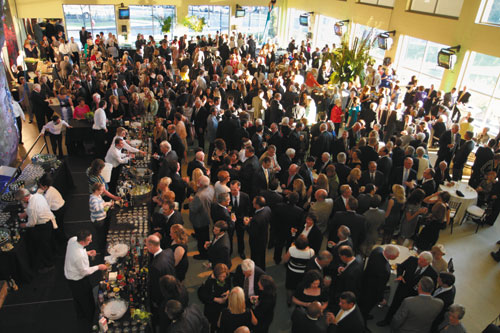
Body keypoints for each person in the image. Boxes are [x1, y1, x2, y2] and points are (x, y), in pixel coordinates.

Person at [377, 251, 438, 326]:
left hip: (414, 295)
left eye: (422, 261)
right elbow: (401, 266)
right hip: (403, 288)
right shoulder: (412, 260)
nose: (418, 262)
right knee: (395, 305)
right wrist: (399, 275)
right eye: (419, 259)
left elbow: (432, 288)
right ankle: (387, 320)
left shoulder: (432, 274)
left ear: (428, 263)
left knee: (408, 311)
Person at [64, 230, 107, 332]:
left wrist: (87, 252)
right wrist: (98, 267)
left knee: (77, 299)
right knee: (87, 301)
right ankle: (91, 321)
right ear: (83, 241)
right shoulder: (80, 256)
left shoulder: (72, 240)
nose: (91, 241)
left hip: (70, 277)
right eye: (89, 240)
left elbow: (77, 252)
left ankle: (80, 314)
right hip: (78, 280)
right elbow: (85, 271)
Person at [16, 188, 57, 273]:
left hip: (43, 227)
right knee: (47, 243)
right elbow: (35, 208)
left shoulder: (31, 207)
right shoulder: (38, 196)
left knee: (44, 246)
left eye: (22, 200)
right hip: (49, 222)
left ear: (25, 198)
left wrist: (23, 225)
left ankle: (49, 265)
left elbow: (32, 223)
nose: (22, 202)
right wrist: (26, 213)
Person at [359, 245, 400, 323]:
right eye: (396, 256)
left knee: (362, 304)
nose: (396, 257)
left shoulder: (377, 250)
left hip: (365, 282)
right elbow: (380, 286)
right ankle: (362, 322)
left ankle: (364, 315)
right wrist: (381, 299)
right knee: (366, 307)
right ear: (390, 256)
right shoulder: (384, 270)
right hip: (371, 292)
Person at [146, 234, 176, 327]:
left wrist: (155, 301)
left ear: (151, 246)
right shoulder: (169, 251)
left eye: (147, 245)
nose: (146, 247)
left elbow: (156, 287)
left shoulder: (155, 266)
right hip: (173, 284)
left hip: (164, 295)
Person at [198, 263, 232, 332]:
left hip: (223, 307)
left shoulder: (227, 277)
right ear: (216, 275)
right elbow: (202, 295)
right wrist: (216, 299)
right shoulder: (208, 282)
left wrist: (228, 292)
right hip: (213, 308)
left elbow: (229, 286)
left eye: (224, 276)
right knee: (214, 324)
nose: (222, 279)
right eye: (220, 276)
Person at [283, 234, 315, 306]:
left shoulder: (292, 249)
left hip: (292, 271)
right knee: (300, 286)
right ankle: (299, 300)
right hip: (303, 273)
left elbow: (285, 260)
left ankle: (289, 301)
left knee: (290, 287)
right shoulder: (311, 252)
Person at [37, 174, 66, 251]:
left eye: (40, 186)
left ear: (45, 186)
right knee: (60, 225)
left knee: (59, 225)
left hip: (58, 209)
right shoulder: (50, 189)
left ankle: (61, 241)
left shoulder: (48, 195)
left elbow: (46, 208)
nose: (40, 187)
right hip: (61, 205)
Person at [189, 175, 214, 260]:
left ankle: (203, 254)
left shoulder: (199, 196)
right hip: (207, 216)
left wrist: (191, 202)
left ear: (201, 184)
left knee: (201, 239)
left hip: (199, 220)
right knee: (205, 236)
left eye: (199, 181)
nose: (197, 182)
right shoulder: (210, 188)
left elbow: (193, 209)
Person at [244, 196, 272, 270]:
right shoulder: (267, 209)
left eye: (254, 202)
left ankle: (256, 271)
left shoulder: (256, 219)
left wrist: (247, 225)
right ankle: (263, 268)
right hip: (264, 237)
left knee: (255, 257)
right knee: (262, 255)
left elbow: (252, 232)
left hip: (256, 241)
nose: (252, 203)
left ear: (257, 205)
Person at [230, 180, 251, 259]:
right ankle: (230, 251)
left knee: (240, 237)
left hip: (241, 221)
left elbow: (247, 208)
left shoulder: (245, 196)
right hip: (231, 221)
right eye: (231, 189)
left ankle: (241, 251)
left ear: (239, 188)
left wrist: (246, 217)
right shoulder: (227, 195)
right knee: (230, 236)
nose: (232, 191)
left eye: (234, 190)